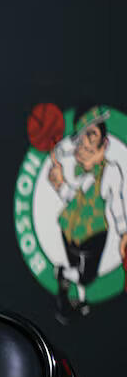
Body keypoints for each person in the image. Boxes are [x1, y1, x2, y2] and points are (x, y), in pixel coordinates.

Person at [48, 106, 126, 320]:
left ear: (104, 145)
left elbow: (117, 203)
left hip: (84, 231)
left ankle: (76, 295)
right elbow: (72, 199)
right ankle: (66, 279)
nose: (83, 149)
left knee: (83, 273)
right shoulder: (81, 174)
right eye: (81, 145)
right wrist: (59, 184)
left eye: (90, 146)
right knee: (85, 275)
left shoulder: (111, 172)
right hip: (78, 231)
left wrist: (123, 232)